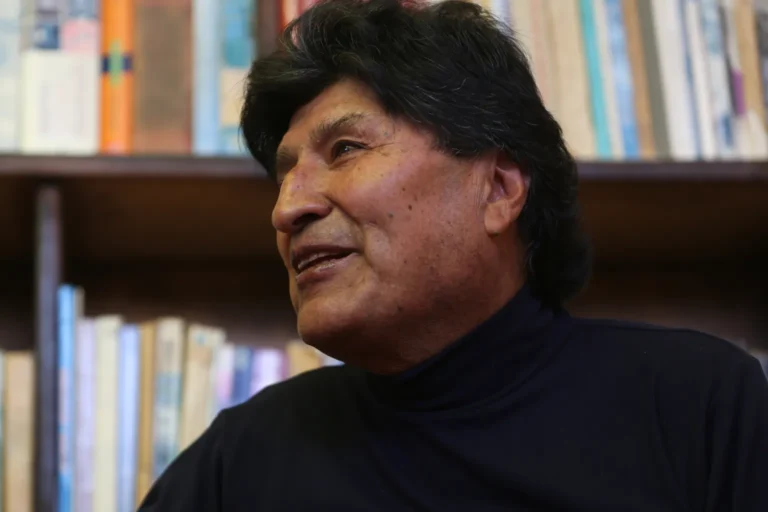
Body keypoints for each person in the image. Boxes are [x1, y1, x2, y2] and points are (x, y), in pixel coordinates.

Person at [138, 0, 768, 510]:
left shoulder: (697, 408)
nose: (287, 209)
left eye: (347, 150)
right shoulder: (241, 461)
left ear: (498, 191)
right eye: (284, 176)